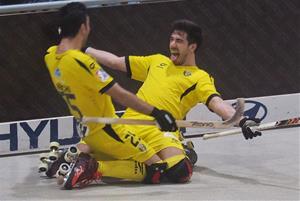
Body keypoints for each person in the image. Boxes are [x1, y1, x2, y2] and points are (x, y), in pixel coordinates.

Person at [44, 2, 183, 190]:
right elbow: (120, 94)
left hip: (87, 130)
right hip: (109, 129)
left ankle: (76, 160)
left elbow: (55, 47)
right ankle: (95, 168)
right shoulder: (82, 61)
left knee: (128, 157)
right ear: (83, 27)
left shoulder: (51, 56)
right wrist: (157, 113)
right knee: (158, 170)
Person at [85, 19, 262, 142]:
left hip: (160, 131)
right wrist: (82, 49)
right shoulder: (156, 61)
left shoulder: (200, 77)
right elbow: (114, 61)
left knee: (178, 169)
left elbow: (216, 103)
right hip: (130, 123)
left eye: (179, 41)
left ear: (192, 47)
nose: (172, 45)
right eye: (171, 39)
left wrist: (241, 120)